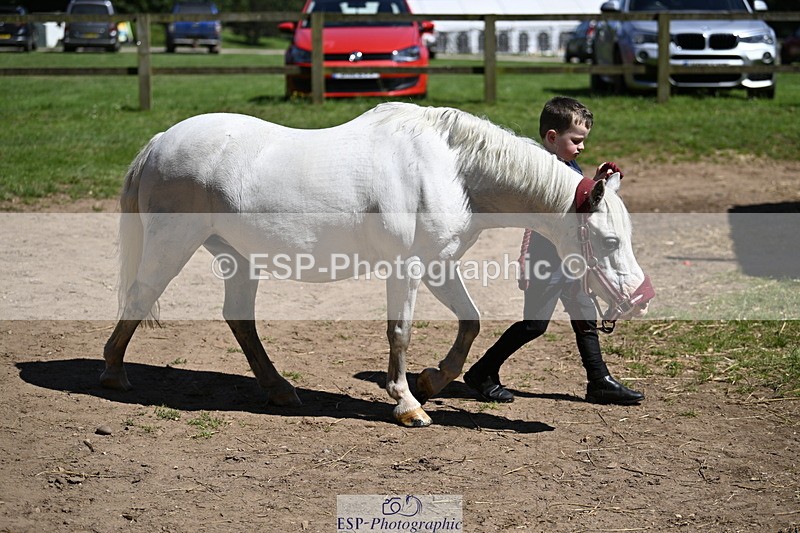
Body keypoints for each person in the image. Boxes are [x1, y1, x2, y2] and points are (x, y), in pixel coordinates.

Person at [463, 96, 644, 405]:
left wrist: (598, 183)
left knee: (584, 314)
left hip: (572, 255)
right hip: (545, 257)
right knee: (535, 323)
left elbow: (579, 205)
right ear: (551, 138)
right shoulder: (542, 168)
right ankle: (482, 372)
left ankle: (599, 380)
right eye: (576, 140)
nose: (582, 147)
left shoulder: (568, 164)